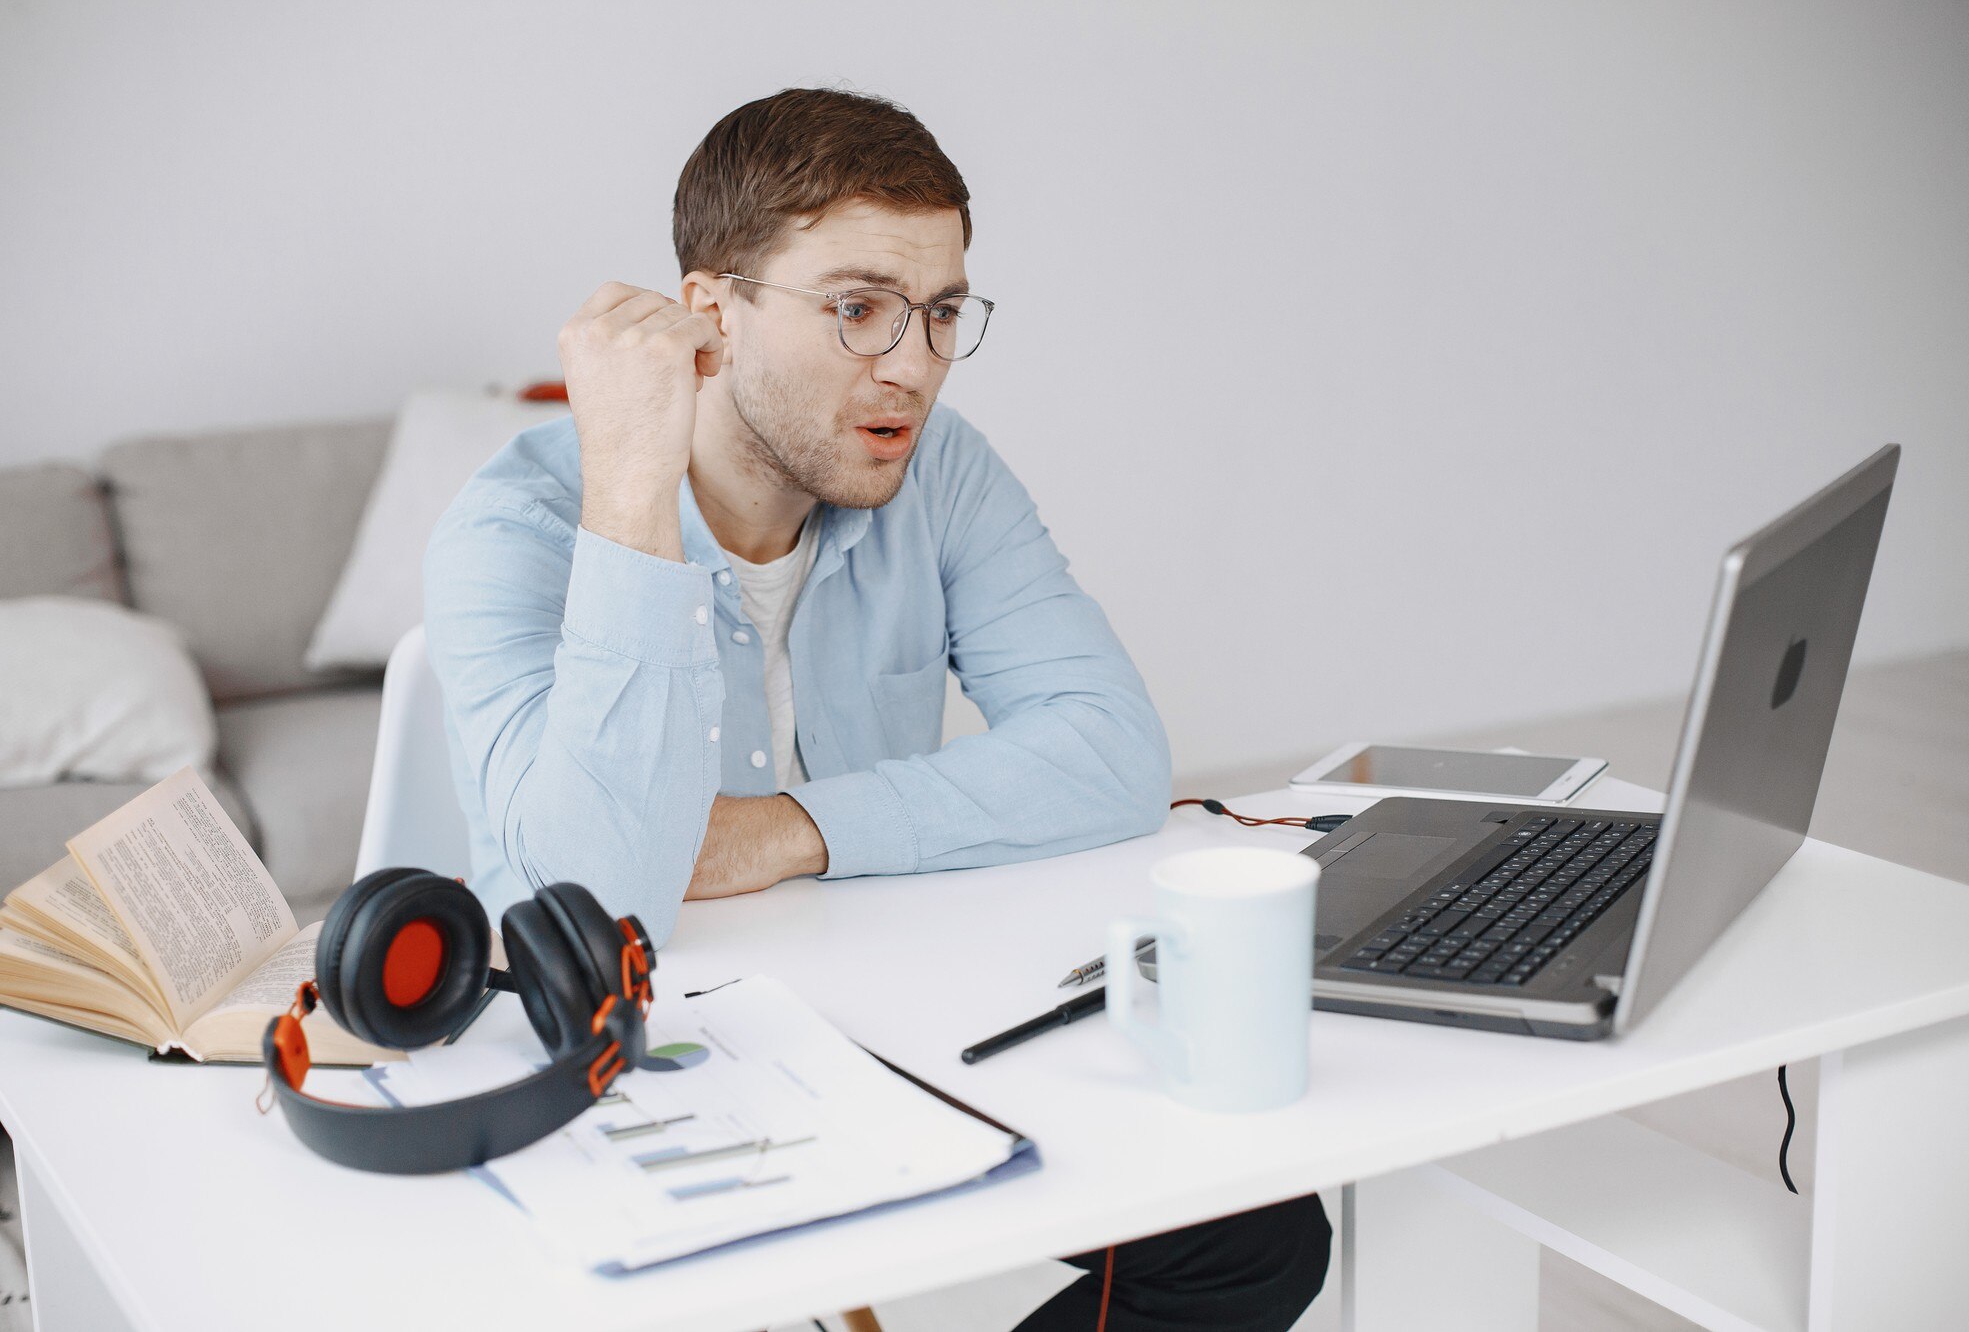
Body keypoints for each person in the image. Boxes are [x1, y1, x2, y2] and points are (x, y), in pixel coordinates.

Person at [424, 86, 1328, 1330]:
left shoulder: (939, 474)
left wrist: (786, 826)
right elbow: (601, 901)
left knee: (1254, 1234)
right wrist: (630, 484)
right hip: (632, 1066)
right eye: (856, 310)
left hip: (891, 1005)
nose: (912, 364)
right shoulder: (510, 529)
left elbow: (1111, 750)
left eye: (941, 314)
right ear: (710, 315)